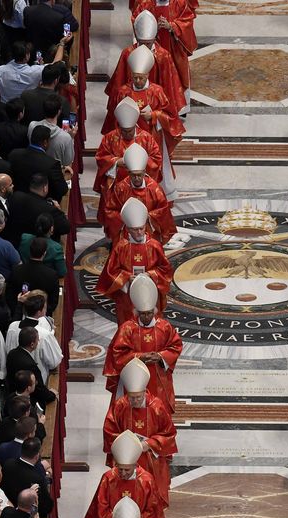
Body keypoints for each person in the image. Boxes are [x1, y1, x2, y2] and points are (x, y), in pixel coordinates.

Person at [101, 45, 184, 195]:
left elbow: (171, 115)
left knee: (151, 166)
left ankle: (153, 193)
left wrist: (154, 115)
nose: (138, 81)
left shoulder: (156, 91)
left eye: (141, 77)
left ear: (148, 75)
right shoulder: (123, 92)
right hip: (126, 138)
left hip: (151, 137)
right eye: (135, 77)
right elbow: (114, 117)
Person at [103, 357, 176, 507]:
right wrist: (126, 443)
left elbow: (169, 433)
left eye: (138, 397)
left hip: (150, 456)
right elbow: (109, 430)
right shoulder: (120, 405)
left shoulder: (157, 407)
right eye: (131, 397)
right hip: (126, 458)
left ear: (144, 391)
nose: (134, 401)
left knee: (150, 493)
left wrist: (149, 443)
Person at [105, 274, 182, 410]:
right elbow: (118, 353)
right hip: (134, 376)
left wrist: (161, 356)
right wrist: (140, 357)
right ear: (137, 312)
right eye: (143, 314)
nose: (146, 317)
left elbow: (175, 346)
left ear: (154, 311)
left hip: (158, 375)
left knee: (158, 410)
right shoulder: (128, 328)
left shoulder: (164, 327)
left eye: (149, 313)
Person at [96, 197, 173, 325]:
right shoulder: (121, 247)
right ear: (128, 229)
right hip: (127, 296)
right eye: (135, 229)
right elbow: (111, 272)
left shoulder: (154, 245)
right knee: (128, 327)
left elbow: (166, 270)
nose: (139, 232)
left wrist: (150, 274)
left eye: (141, 228)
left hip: (150, 292)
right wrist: (127, 277)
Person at [84, 430, 165, 518]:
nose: (122, 473)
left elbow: (152, 509)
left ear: (135, 465)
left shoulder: (146, 480)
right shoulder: (108, 478)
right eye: (119, 468)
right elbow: (100, 506)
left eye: (127, 469)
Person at [93, 97, 162, 227]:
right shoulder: (110, 137)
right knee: (116, 217)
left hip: (140, 185)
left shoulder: (146, 138)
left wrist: (139, 165)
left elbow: (157, 159)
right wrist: (116, 162)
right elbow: (100, 157)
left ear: (135, 125)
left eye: (129, 131)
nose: (126, 134)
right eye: (123, 131)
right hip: (117, 187)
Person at [104, 11, 186, 117]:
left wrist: (158, 113)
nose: (145, 46)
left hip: (155, 101)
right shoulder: (127, 53)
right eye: (142, 43)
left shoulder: (163, 56)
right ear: (137, 39)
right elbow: (119, 80)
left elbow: (169, 86)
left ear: (154, 38)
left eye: (148, 43)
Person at [103, 143, 176, 245]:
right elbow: (110, 210)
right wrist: (126, 218)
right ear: (128, 173)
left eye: (139, 175)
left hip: (149, 230)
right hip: (127, 231)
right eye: (133, 175)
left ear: (144, 172)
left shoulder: (155, 189)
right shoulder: (121, 188)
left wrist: (148, 216)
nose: (137, 178)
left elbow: (163, 210)